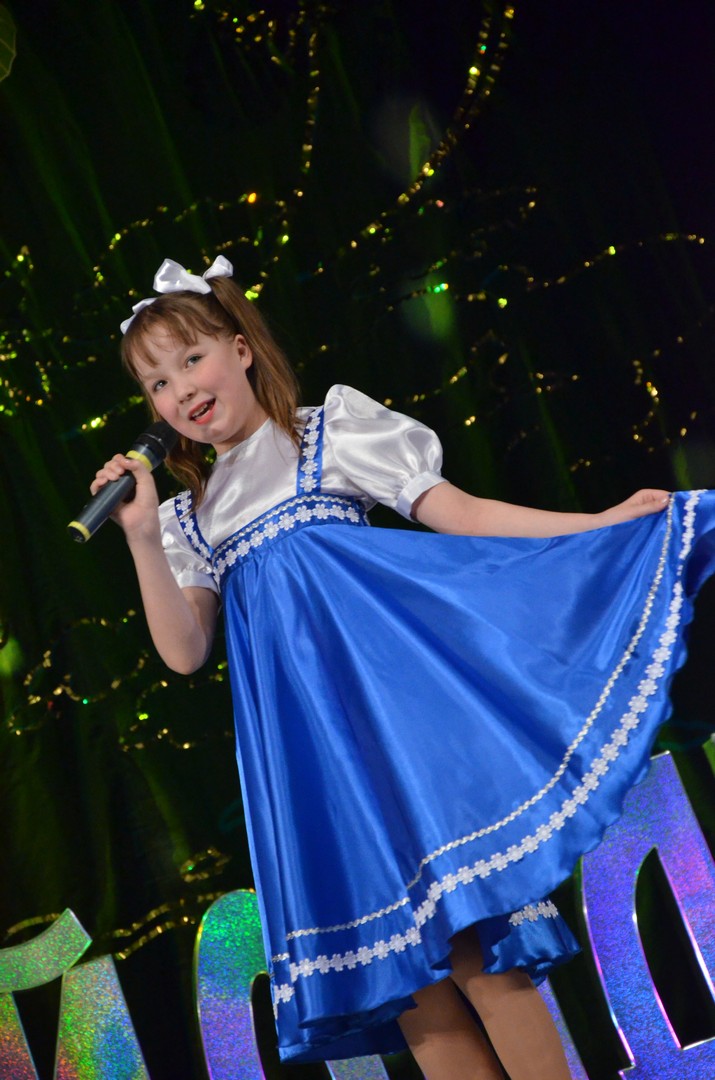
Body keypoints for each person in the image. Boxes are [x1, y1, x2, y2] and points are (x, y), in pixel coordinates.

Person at [91, 255, 715, 1079]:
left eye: (191, 360)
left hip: (393, 735)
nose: (181, 391)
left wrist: (596, 523)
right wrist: (141, 537)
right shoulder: (189, 518)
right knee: (408, 991)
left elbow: (462, 514)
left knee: (472, 950)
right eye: (157, 384)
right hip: (313, 771)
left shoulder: (325, 434)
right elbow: (183, 652)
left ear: (240, 348)